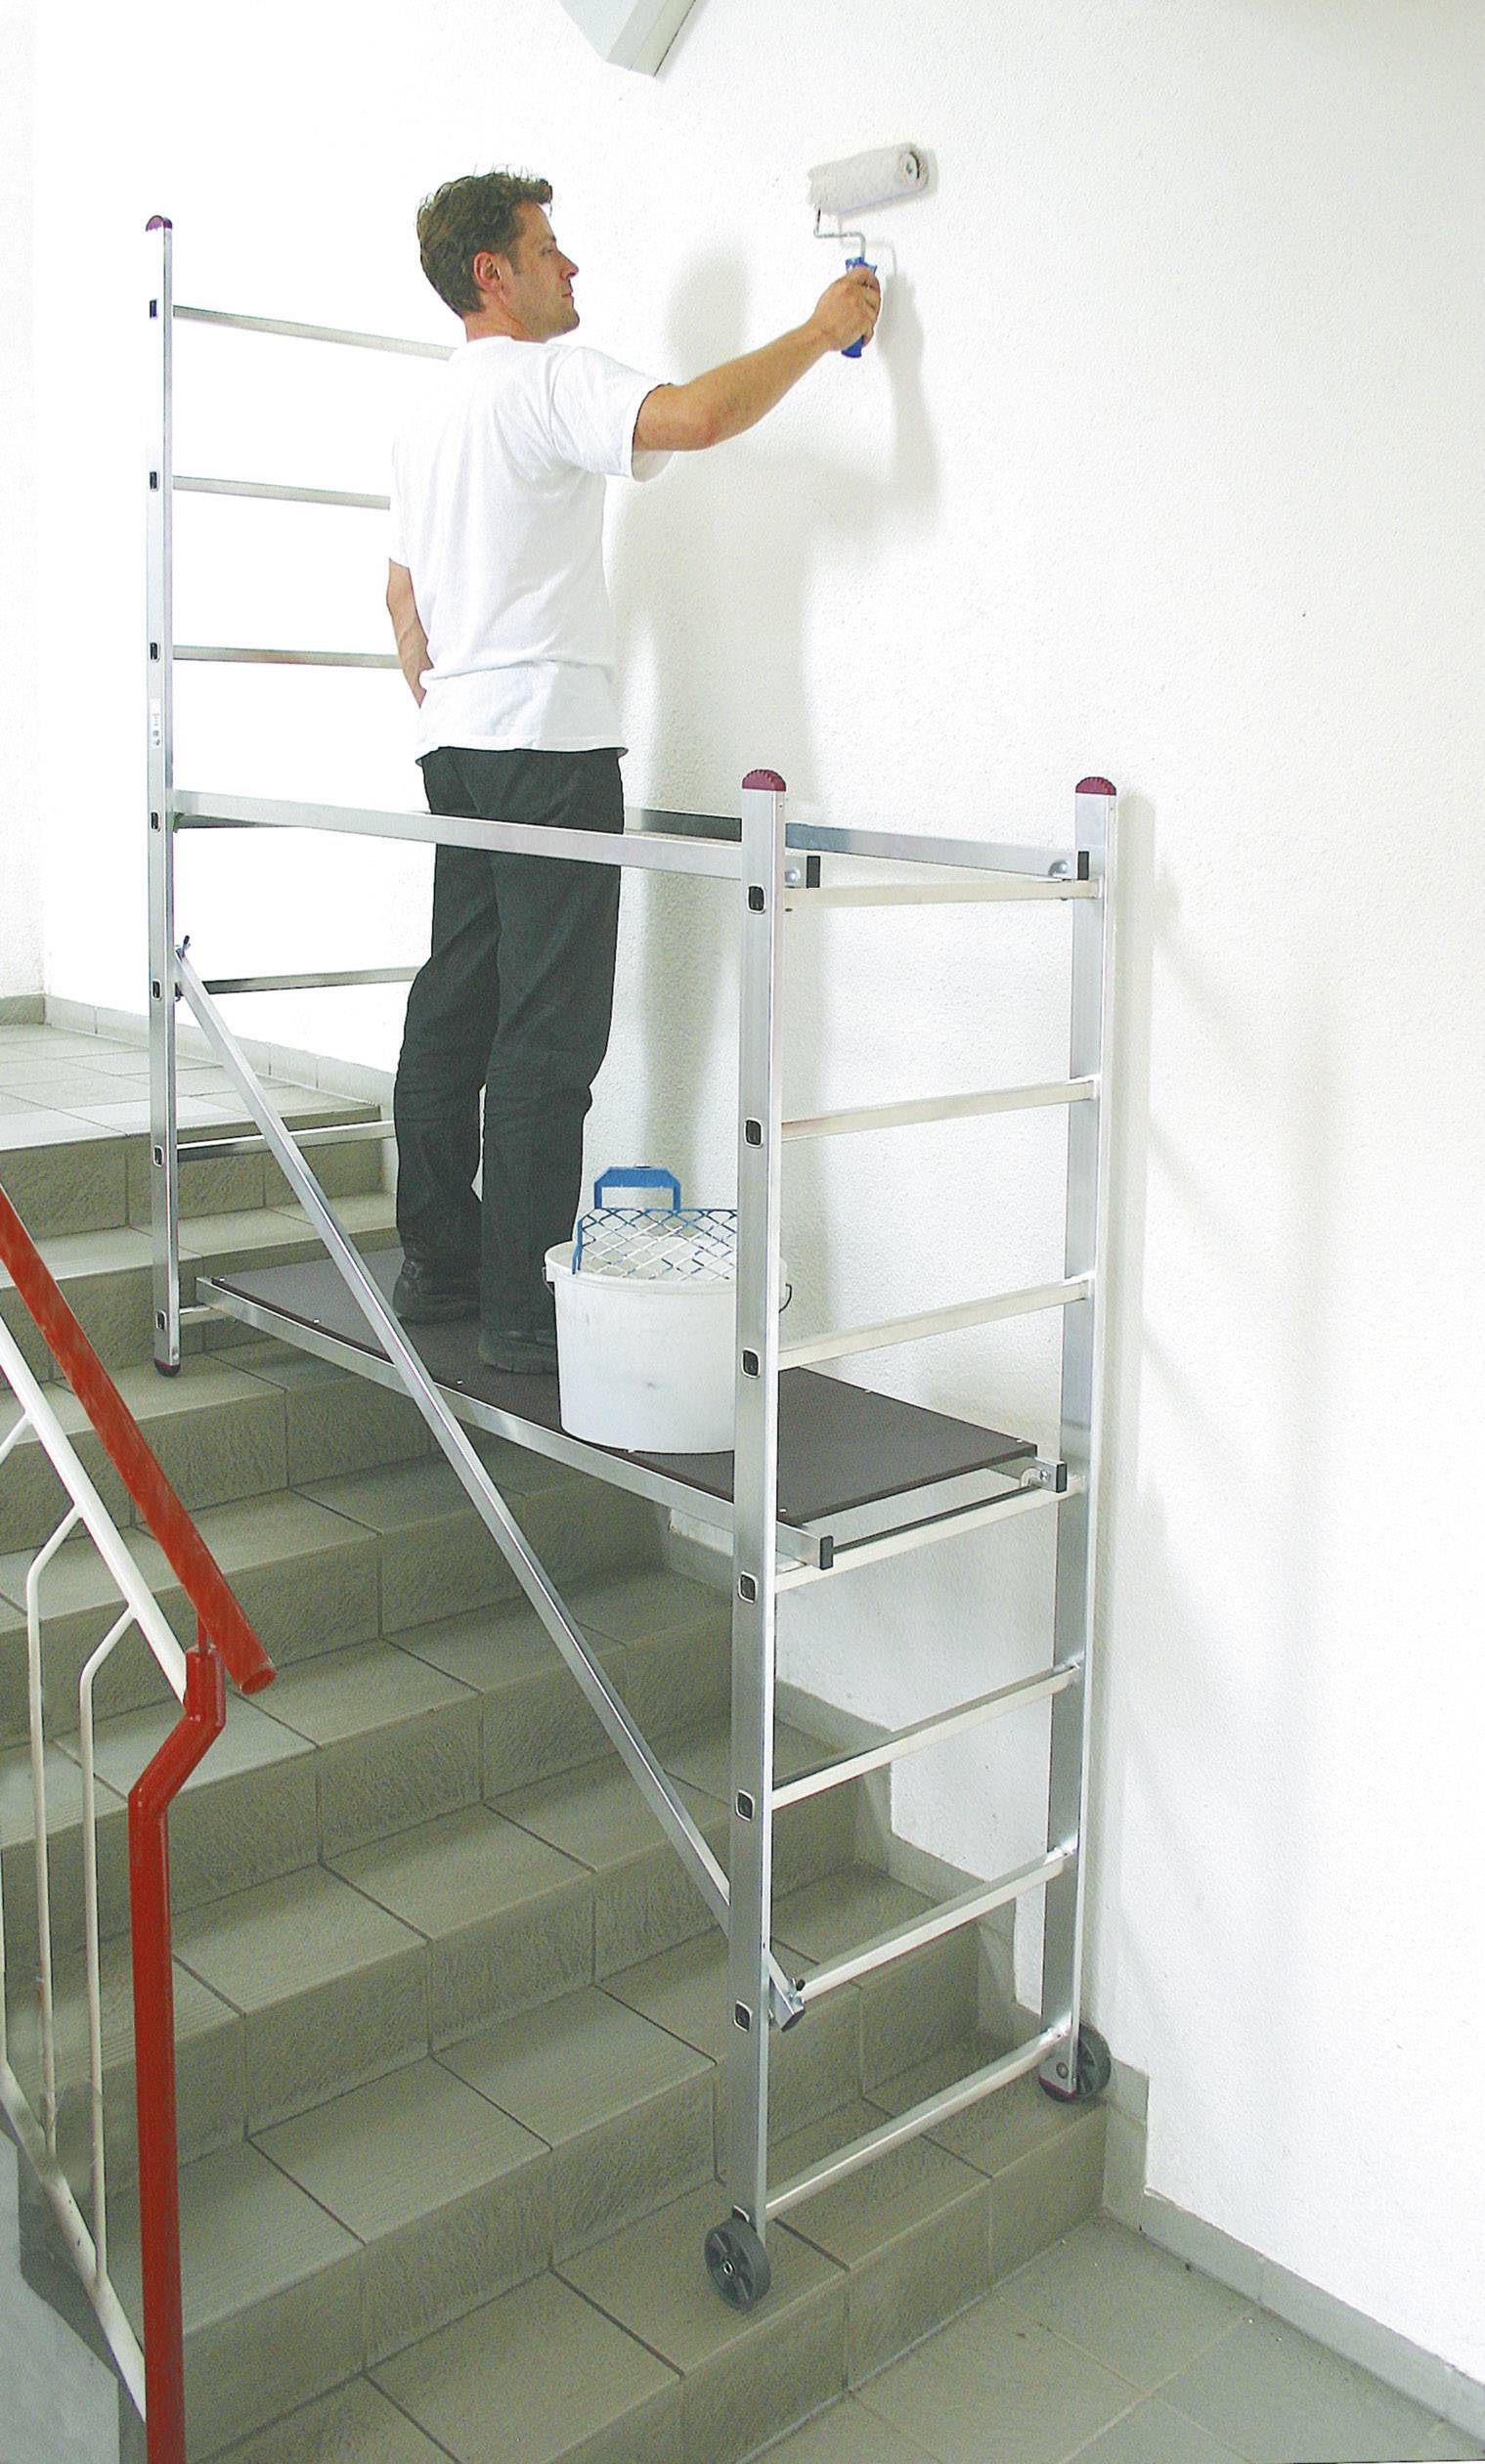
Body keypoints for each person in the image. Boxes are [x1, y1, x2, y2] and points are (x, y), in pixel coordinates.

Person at [386, 168, 880, 1373]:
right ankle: (517, 1311)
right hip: (550, 747)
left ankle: (439, 1270)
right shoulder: (549, 375)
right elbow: (697, 419)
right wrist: (823, 330)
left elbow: (401, 593)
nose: (572, 268)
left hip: (458, 746)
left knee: (458, 1000)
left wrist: (449, 689)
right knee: (547, 1037)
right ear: (491, 274)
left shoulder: (428, 413)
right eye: (548, 250)